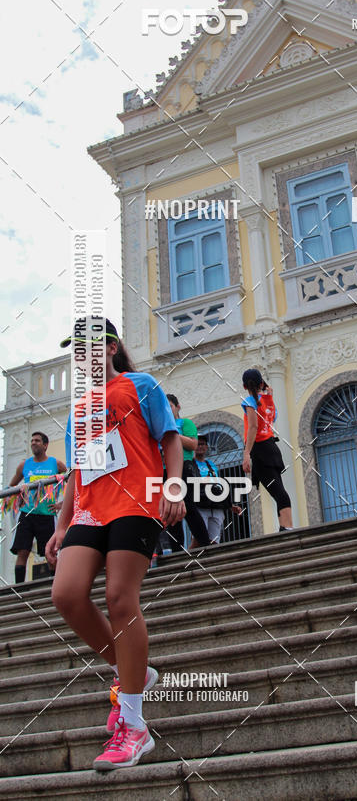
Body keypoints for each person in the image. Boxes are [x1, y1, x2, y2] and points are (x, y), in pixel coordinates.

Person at [46, 317, 185, 771]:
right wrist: (62, 525)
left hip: (137, 502)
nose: (83, 357)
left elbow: (170, 440)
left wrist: (174, 487)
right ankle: (135, 672)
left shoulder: (140, 385)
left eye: (89, 347)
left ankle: (133, 724)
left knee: (120, 597)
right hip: (90, 508)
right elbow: (77, 473)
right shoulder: (77, 411)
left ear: (109, 347)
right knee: (66, 594)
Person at [154, 395, 210, 556]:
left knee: (188, 506)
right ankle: (176, 549)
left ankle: (205, 542)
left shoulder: (185, 424)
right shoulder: (158, 427)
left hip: (183, 467)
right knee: (170, 510)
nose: (167, 409)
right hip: (164, 470)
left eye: (170, 406)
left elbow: (193, 444)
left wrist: (172, 435)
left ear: (178, 407)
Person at [9, 432, 67, 583]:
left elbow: (72, 480)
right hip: (27, 514)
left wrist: (61, 504)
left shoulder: (56, 464)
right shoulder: (24, 465)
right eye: (32, 440)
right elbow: (11, 487)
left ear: (45, 445)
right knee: (22, 551)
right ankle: (19, 590)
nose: (33, 443)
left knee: (50, 552)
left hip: (47, 514)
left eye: (37, 441)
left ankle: (54, 584)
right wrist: (18, 498)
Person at [241, 368, 293, 532]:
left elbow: (253, 427)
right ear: (261, 383)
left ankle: (288, 527)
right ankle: (284, 526)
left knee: (279, 492)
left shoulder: (250, 401)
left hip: (260, 451)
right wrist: (268, 393)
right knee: (278, 491)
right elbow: (274, 417)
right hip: (272, 449)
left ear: (244, 386)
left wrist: (246, 453)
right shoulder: (269, 401)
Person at [193, 434, 242, 544]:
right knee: (199, 539)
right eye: (197, 444)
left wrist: (230, 505)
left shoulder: (211, 464)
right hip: (199, 506)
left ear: (206, 447)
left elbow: (218, 486)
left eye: (203, 444)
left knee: (214, 541)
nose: (200, 446)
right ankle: (188, 560)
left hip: (216, 506)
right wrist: (201, 482)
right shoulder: (189, 464)